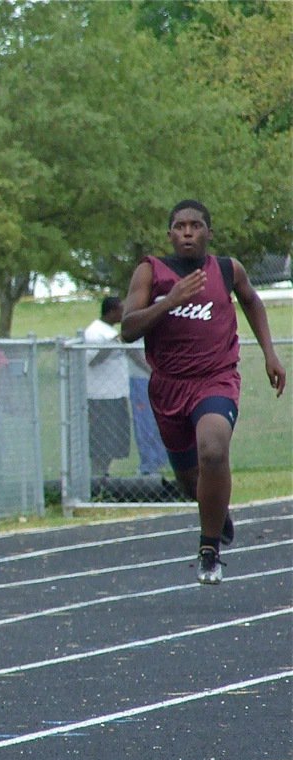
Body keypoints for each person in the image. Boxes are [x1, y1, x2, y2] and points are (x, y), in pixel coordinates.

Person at [121, 199, 285, 585]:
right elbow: (127, 329)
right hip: (169, 386)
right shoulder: (151, 271)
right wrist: (171, 301)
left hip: (216, 378)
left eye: (196, 226)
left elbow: (251, 301)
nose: (188, 232)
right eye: (180, 226)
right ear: (170, 234)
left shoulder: (227, 269)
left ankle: (209, 550)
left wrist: (270, 353)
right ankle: (216, 509)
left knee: (213, 449)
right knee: (189, 480)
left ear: (209, 232)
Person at [83, 296, 131, 477]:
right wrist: (113, 342)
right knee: (102, 440)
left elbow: (132, 355)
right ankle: (97, 475)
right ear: (111, 312)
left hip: (117, 394)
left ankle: (104, 473)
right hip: (101, 397)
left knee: (114, 441)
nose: (124, 313)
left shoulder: (112, 332)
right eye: (121, 310)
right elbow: (93, 360)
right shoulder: (95, 332)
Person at [126, 341, 166, 475]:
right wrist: (152, 370)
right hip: (141, 379)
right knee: (145, 423)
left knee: (161, 421)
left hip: (162, 380)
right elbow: (132, 351)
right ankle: (148, 465)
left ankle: (161, 461)